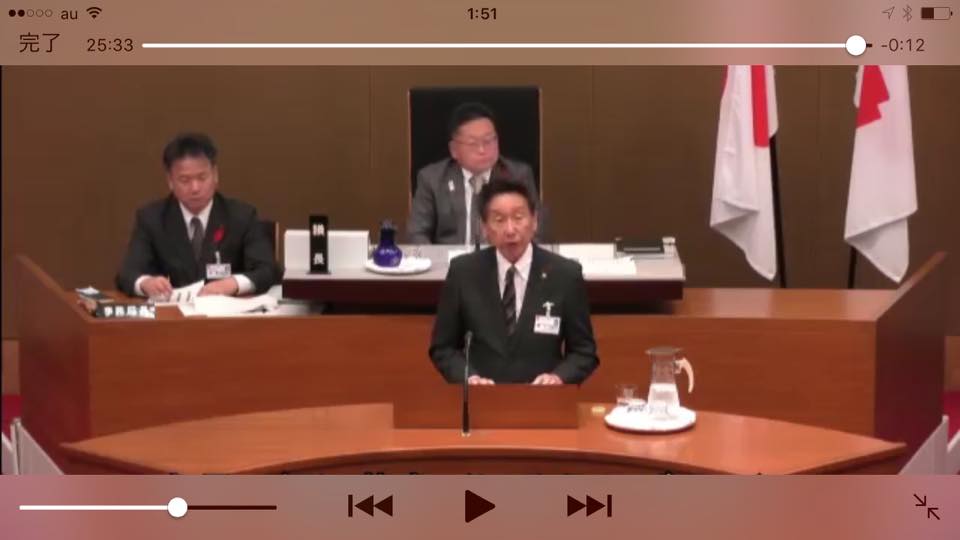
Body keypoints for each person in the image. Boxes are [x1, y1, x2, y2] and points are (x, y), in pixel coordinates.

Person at [429, 179, 598, 385]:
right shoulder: (464, 272)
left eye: (518, 217)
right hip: (483, 398)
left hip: (543, 399)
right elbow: (443, 348)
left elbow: (584, 352)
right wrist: (469, 378)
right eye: (499, 220)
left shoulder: (565, 274)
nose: (510, 229)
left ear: (534, 221)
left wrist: (558, 378)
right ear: (484, 227)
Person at [115, 133, 279, 299]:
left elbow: (268, 270)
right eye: (184, 180)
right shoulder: (152, 219)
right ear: (170, 181)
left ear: (215, 175)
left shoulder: (242, 216)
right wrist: (145, 283)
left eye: (202, 177)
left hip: (226, 312)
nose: (195, 188)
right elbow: (127, 274)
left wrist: (233, 284)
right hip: (173, 312)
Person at [407, 102, 541, 245]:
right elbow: (417, 232)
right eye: (473, 143)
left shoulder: (517, 175)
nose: (482, 150)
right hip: (451, 257)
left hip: (502, 255)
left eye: (488, 141)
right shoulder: (432, 179)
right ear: (454, 150)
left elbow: (537, 230)